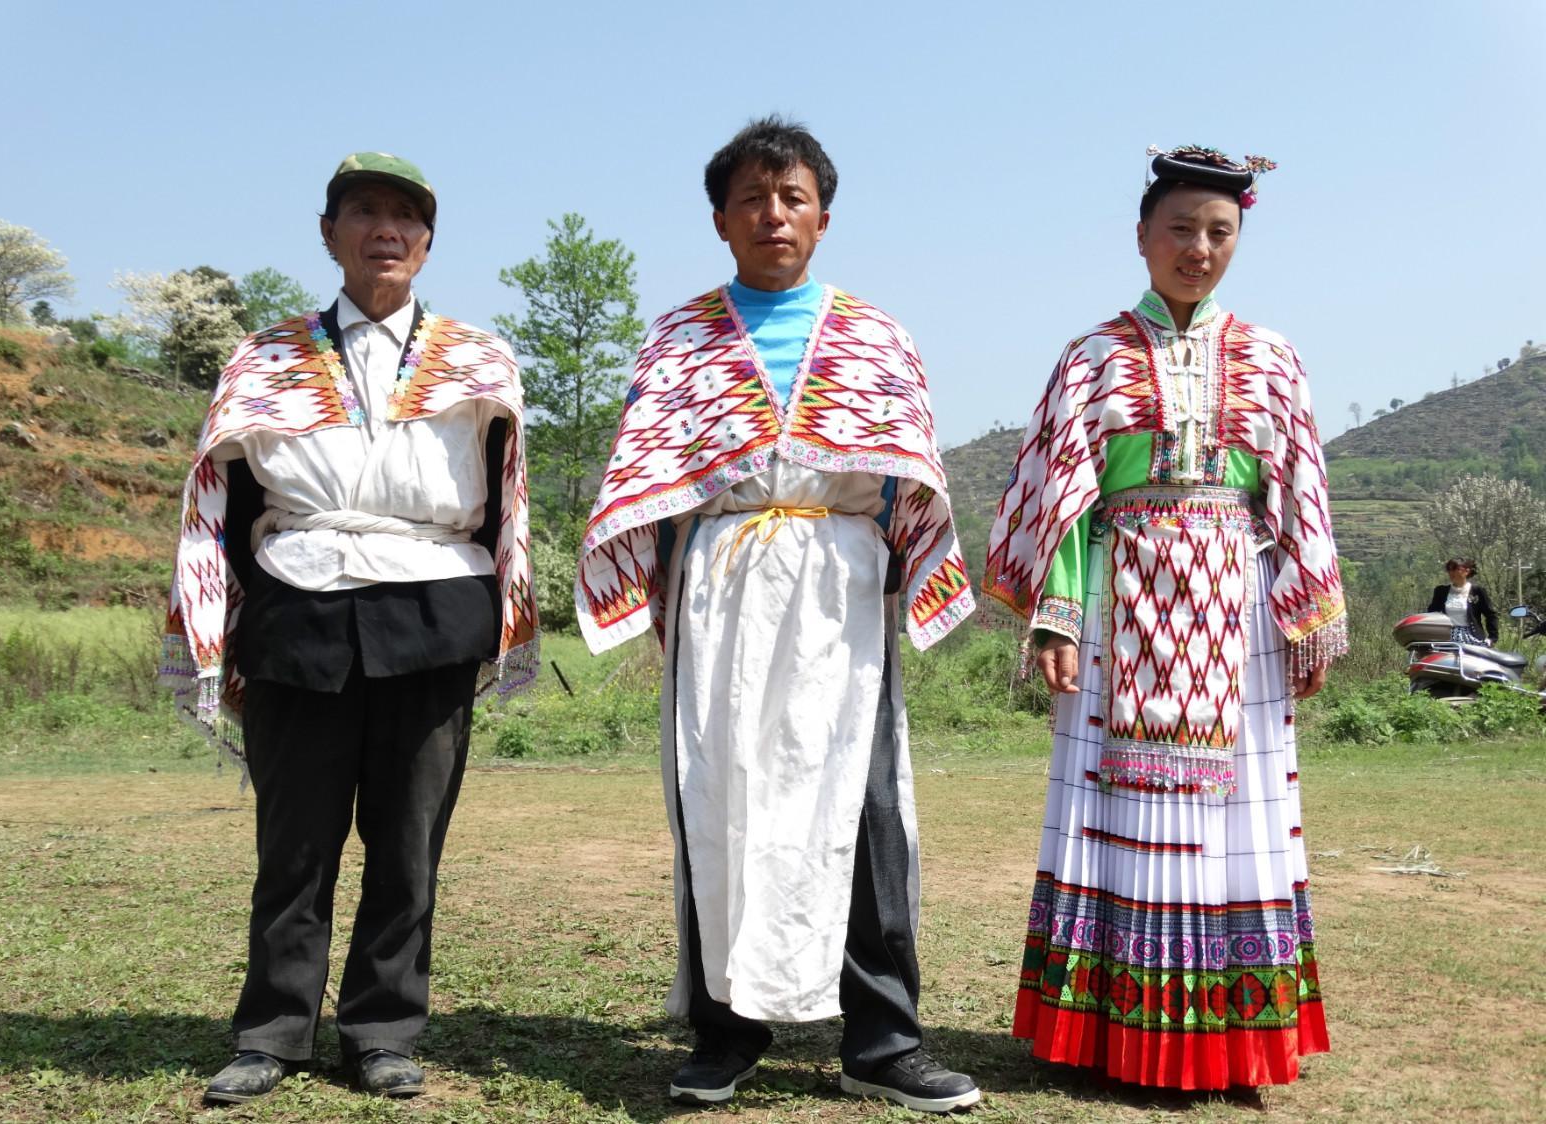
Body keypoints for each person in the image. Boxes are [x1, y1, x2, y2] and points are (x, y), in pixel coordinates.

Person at [576, 117, 980, 1113]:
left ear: (823, 216)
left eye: (791, 196)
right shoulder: (678, 339)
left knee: (866, 807)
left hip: (838, 584)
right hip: (721, 582)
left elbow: (909, 477)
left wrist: (889, 567)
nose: (772, 214)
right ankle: (727, 1027)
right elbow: (647, 480)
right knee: (721, 799)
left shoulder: (877, 337)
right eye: (752, 198)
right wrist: (664, 593)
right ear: (720, 220)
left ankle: (882, 1038)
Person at [160, 152, 537, 1105]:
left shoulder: (480, 358)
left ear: (426, 242)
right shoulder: (265, 358)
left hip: (432, 611)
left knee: (408, 846)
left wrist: (501, 612)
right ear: (328, 233)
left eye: (405, 218)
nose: (385, 231)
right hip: (301, 608)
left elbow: (503, 503)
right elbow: (231, 501)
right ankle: (272, 1032)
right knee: (295, 841)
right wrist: (237, 619)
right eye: (364, 212)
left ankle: (382, 1029)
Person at [983, 145, 1345, 1091]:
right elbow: (1060, 494)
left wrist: (1305, 612)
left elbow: (1299, 492)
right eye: (1180, 228)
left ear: (1239, 240)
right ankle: (1111, 1039)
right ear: (1142, 236)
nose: (1198, 247)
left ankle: (1227, 1045)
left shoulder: (1272, 358)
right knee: (1114, 816)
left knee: (1236, 828)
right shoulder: (1091, 357)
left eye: (1219, 232)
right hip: (1116, 604)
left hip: (1238, 615)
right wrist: (1057, 617)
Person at [1427, 558, 1498, 645]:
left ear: (1466, 571)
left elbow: (1490, 615)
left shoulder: (1478, 591)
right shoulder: (1441, 591)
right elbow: (1432, 614)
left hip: (1472, 637)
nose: (1451, 573)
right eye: (1449, 569)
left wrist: (1492, 638)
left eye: (1454, 569)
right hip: (1446, 637)